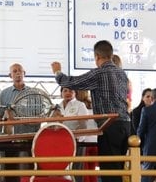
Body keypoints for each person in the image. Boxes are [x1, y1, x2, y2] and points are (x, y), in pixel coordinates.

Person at [51, 40, 130, 182]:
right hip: (126, 125)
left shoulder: (98, 73)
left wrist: (57, 72)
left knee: (109, 171)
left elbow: (71, 82)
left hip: (109, 125)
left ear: (97, 57)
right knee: (118, 167)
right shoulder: (122, 74)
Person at [0, 63, 33, 182]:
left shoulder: (33, 93)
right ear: (10, 75)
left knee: (28, 171)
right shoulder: (4, 94)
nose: (18, 73)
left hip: (28, 138)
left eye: (20, 71)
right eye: (15, 71)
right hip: (9, 139)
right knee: (9, 172)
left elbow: (38, 113)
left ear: (24, 74)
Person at [54, 87, 88, 182]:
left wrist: (64, 121)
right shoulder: (56, 106)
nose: (68, 93)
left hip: (77, 142)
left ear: (75, 93)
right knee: (60, 170)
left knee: (76, 171)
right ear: (61, 93)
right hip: (59, 142)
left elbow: (84, 124)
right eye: (65, 90)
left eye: (71, 90)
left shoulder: (80, 105)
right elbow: (50, 125)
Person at [75, 90, 98, 182]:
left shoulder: (78, 107)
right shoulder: (94, 107)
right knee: (92, 170)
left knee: (83, 171)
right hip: (95, 142)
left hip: (84, 143)